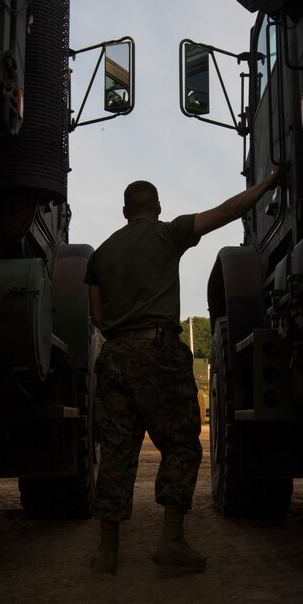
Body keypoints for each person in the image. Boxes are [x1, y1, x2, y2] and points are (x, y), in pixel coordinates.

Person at [84, 169, 280, 574]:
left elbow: (98, 317)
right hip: (159, 352)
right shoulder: (168, 233)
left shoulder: (99, 255)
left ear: (124, 211)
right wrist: (266, 185)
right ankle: (170, 540)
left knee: (118, 451)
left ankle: (107, 551)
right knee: (181, 445)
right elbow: (226, 212)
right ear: (156, 208)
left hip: (116, 355)